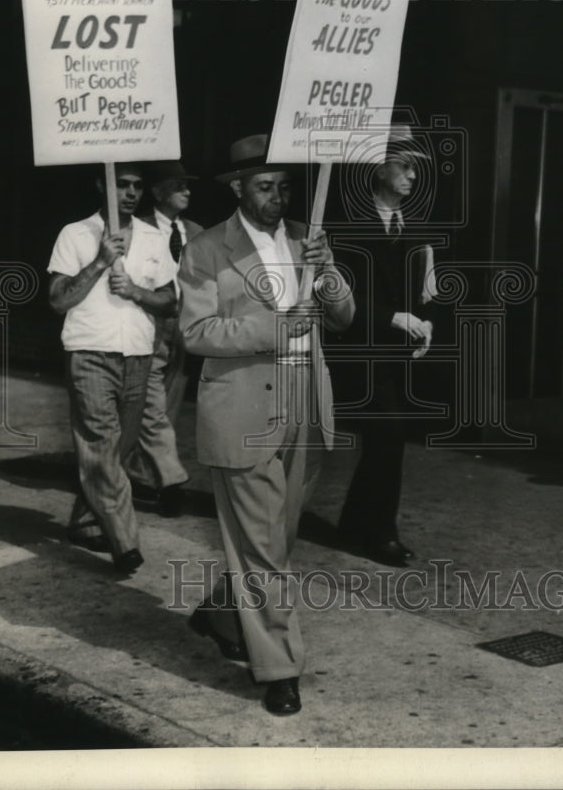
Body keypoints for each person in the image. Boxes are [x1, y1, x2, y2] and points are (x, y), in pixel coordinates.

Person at [177, 134, 355, 715]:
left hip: (306, 408)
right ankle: (279, 668)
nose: (277, 197)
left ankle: (223, 610)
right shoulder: (206, 250)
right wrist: (280, 327)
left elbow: (346, 317)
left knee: (275, 542)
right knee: (264, 553)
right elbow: (196, 335)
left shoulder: (309, 237)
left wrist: (328, 280)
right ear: (237, 188)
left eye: (284, 186)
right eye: (264, 186)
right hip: (242, 411)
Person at [47, 162, 176, 575]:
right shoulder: (75, 233)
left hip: (138, 353)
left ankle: (87, 520)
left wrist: (137, 292)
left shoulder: (157, 237)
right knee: (101, 443)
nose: (132, 193)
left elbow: (170, 301)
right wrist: (101, 261)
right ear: (100, 186)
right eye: (122, 184)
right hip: (89, 352)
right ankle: (125, 541)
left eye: (138, 186)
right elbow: (58, 299)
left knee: (121, 446)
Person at [332, 124, 440, 568]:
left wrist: (427, 322)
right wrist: (394, 318)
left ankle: (355, 522)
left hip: (395, 350)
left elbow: (424, 290)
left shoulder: (414, 224)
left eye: (416, 169)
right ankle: (380, 532)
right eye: (405, 166)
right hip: (356, 348)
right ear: (376, 168)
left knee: (385, 439)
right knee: (389, 434)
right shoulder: (346, 221)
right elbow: (338, 293)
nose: (413, 176)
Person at [124, 161, 203, 516]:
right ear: (157, 192)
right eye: (178, 185)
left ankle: (142, 478)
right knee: (151, 408)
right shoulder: (136, 229)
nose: (186, 191)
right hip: (148, 325)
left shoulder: (197, 233)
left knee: (166, 409)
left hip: (183, 332)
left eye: (187, 185)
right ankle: (172, 480)